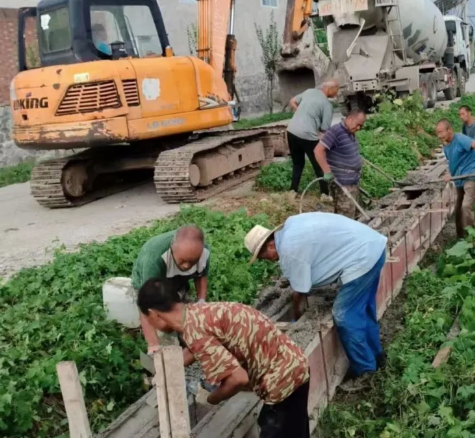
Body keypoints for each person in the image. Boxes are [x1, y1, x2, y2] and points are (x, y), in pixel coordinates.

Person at [137, 278, 310, 438]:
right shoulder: (198, 312)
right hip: (296, 364)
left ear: (153, 314)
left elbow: (239, 379)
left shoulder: (193, 331)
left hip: (282, 382)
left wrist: (210, 398)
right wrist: (168, 370)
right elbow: (198, 347)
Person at [245, 212, 387, 379]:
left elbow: (300, 291)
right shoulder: (291, 225)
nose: (267, 261)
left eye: (263, 257)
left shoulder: (290, 250)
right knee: (363, 308)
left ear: (269, 246)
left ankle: (365, 371)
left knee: (344, 316)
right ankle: (377, 356)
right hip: (374, 247)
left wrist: (296, 318)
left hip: (361, 260)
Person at [131, 226, 210, 359]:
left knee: (193, 327)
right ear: (173, 248)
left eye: (192, 261)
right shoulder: (154, 259)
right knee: (166, 334)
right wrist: (153, 345)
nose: (186, 266)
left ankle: (185, 341)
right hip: (150, 283)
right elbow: (146, 305)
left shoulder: (203, 252)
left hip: (178, 282)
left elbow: (201, 276)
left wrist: (201, 302)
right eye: (183, 261)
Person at [435, 119, 475, 239]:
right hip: (460, 179)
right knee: (458, 210)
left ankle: (472, 238)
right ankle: (460, 238)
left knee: (466, 206)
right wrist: (449, 174)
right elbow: (454, 162)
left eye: (441, 132)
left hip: (472, 176)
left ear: (450, 130)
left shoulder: (460, 139)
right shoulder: (446, 146)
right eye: (437, 133)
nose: (439, 135)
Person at [287, 79, 340, 200]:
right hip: (308, 135)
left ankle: (293, 191)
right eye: (336, 91)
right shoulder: (327, 105)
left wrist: (300, 112)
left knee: (297, 163)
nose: (337, 94)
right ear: (330, 89)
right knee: (319, 164)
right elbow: (324, 130)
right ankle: (325, 194)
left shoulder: (309, 92)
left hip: (291, 131)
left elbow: (292, 101)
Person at [313, 109, 366, 218]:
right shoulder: (335, 131)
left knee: (355, 216)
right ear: (350, 119)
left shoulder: (349, 132)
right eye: (358, 125)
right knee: (345, 218)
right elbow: (318, 151)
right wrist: (327, 171)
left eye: (361, 126)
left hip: (352, 182)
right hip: (342, 183)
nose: (359, 128)